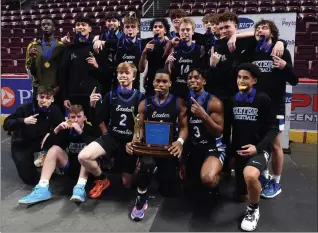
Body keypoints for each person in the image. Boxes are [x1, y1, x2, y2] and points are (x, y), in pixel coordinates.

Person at [208, 12, 285, 177]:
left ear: (236, 26)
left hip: (245, 98)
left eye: (227, 27)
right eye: (220, 28)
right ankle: (227, 167)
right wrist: (213, 66)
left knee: (249, 134)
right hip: (224, 98)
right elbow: (214, 76)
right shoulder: (218, 46)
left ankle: (259, 171)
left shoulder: (246, 40)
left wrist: (280, 41)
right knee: (225, 133)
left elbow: (263, 34)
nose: (223, 31)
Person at [241, 19, 299, 198]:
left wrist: (284, 66)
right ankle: (264, 176)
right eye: (257, 28)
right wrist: (258, 34)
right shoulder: (253, 50)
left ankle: (276, 181)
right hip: (257, 105)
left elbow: (294, 80)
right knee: (260, 141)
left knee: (275, 145)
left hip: (275, 106)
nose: (259, 30)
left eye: (264, 27)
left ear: (273, 33)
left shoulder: (281, 51)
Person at [126, 69, 188, 221]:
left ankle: (158, 172)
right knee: (145, 166)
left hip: (168, 150)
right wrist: (134, 141)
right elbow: (138, 127)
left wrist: (179, 142)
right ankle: (141, 197)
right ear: (153, 83)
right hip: (149, 149)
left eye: (165, 81)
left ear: (170, 84)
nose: (161, 84)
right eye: (158, 81)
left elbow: (185, 127)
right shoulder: (144, 103)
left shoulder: (178, 102)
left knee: (169, 191)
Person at [77, 63, 144, 199]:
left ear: (134, 77)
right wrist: (93, 105)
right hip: (112, 138)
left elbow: (142, 125)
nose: (123, 75)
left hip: (129, 142)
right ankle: (102, 178)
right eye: (120, 73)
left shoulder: (140, 97)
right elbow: (98, 120)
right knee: (83, 156)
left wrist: (137, 146)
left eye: (127, 73)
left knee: (127, 184)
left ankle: (138, 169)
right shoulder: (111, 95)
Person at [17, 105, 100, 204]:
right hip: (71, 167)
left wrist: (80, 132)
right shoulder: (66, 130)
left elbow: (97, 149)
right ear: (69, 118)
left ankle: (80, 187)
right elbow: (45, 147)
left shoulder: (91, 129)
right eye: (73, 117)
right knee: (54, 149)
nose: (76, 120)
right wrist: (57, 129)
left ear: (84, 118)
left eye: (79, 116)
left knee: (87, 150)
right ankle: (42, 188)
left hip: (88, 170)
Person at [230, 63, 279, 231]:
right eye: (239, 77)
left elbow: (273, 128)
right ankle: (257, 182)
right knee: (242, 195)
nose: (241, 80)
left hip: (259, 149)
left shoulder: (263, 99)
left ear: (254, 80)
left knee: (250, 176)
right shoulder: (233, 99)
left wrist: (258, 148)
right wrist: (231, 154)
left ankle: (253, 210)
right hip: (240, 151)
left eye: (245, 78)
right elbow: (231, 131)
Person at [3, 86, 64, 185]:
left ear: (52, 99)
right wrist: (23, 121)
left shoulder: (55, 110)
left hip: (42, 141)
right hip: (22, 144)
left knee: (61, 138)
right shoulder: (25, 108)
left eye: (48, 98)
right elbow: (6, 124)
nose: (44, 100)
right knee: (30, 179)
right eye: (42, 97)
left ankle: (53, 160)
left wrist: (51, 133)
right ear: (37, 97)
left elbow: (62, 127)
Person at [185, 68, 225, 196]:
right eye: (190, 78)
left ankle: (221, 176)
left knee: (208, 179)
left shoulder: (214, 102)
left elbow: (218, 132)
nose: (193, 80)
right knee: (187, 185)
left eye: (197, 77)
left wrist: (204, 116)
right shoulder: (185, 101)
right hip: (194, 147)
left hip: (212, 147)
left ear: (204, 81)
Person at [59, 15, 102, 117]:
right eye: (78, 25)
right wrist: (65, 97)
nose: (81, 27)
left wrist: (97, 66)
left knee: (93, 124)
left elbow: (104, 74)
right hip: (73, 95)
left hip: (91, 95)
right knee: (75, 124)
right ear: (74, 28)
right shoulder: (69, 49)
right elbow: (63, 75)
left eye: (84, 25)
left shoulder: (96, 47)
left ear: (90, 28)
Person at [25, 17, 65, 111]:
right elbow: (31, 72)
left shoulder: (61, 46)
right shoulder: (33, 46)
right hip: (39, 90)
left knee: (57, 119)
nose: (46, 26)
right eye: (43, 25)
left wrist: (59, 87)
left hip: (55, 90)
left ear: (54, 28)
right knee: (39, 119)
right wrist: (32, 57)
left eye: (48, 24)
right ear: (40, 28)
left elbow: (64, 70)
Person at [166, 18, 203, 100]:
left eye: (188, 29)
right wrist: (167, 63)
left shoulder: (199, 49)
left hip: (194, 90)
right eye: (182, 30)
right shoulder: (174, 49)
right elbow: (169, 72)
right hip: (177, 90)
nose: (185, 32)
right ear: (179, 32)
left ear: (193, 32)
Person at [138, 18, 171, 96]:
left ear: (165, 31)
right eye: (155, 27)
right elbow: (141, 69)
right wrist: (144, 53)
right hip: (151, 82)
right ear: (152, 30)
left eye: (160, 27)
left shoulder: (169, 44)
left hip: (165, 82)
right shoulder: (147, 43)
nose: (157, 29)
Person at [93, 12, 123, 94]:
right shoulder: (101, 36)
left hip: (120, 70)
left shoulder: (123, 35)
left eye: (114, 21)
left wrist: (103, 42)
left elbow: (118, 43)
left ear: (119, 23)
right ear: (106, 23)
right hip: (105, 72)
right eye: (109, 21)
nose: (111, 23)